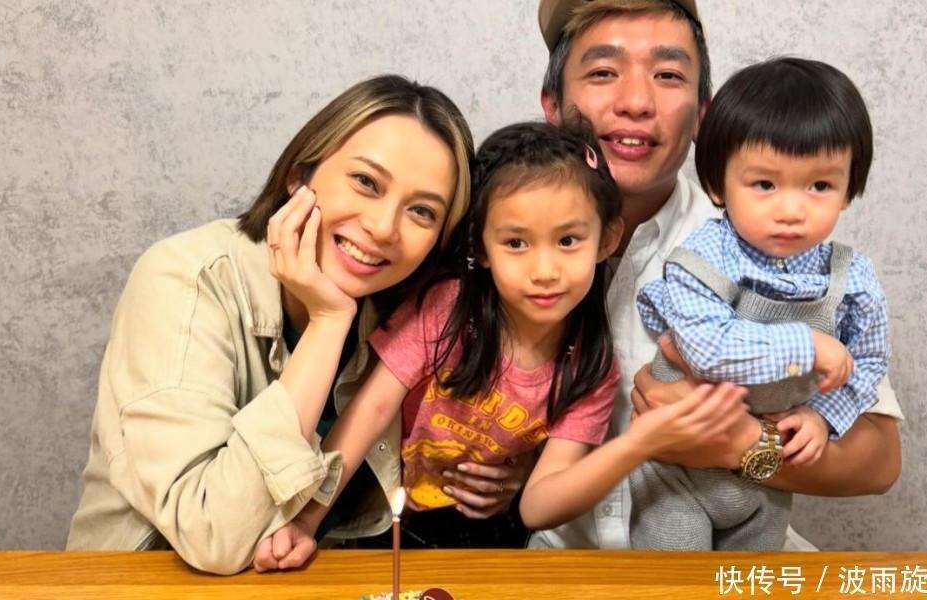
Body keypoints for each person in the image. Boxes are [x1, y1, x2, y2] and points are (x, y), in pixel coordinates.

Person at [65, 74, 519, 574]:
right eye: (366, 183)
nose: (383, 227)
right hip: (143, 583)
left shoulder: (404, 310)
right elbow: (212, 535)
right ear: (300, 176)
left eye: (422, 212)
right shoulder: (186, 278)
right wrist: (328, 321)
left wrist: (508, 476)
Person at [251, 122, 750, 571]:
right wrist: (307, 521)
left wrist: (641, 444)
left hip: (499, 537)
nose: (545, 271)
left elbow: (538, 506)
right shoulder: (447, 311)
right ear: (481, 248)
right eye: (516, 243)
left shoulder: (591, 365)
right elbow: (370, 409)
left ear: (607, 239)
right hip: (392, 522)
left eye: (568, 241)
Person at [530, 0, 903, 550]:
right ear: (553, 104)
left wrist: (742, 443)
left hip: (735, 551)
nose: (636, 102)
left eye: (668, 75)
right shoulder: (501, 235)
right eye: (604, 72)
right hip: (565, 561)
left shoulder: (766, 248)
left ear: (704, 115)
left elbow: (880, 459)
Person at [630, 57, 890, 550]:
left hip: (764, 486)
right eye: (765, 184)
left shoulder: (851, 280)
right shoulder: (702, 258)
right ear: (717, 185)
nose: (791, 210)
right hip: (674, 477)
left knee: (752, 577)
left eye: (820, 186)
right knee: (676, 578)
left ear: (848, 189)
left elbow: (868, 363)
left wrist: (822, 415)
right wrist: (808, 345)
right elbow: (709, 349)